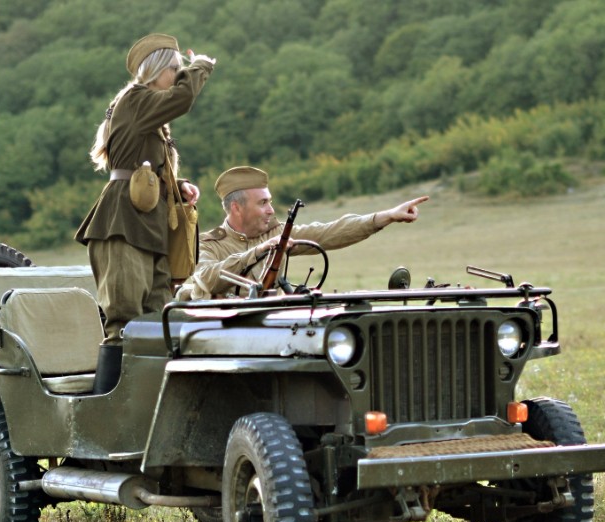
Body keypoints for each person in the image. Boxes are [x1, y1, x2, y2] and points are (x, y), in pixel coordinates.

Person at [75, 33, 214, 392]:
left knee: (156, 320)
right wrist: (199, 67)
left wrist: (177, 185)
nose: (178, 76)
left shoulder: (144, 107)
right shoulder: (136, 99)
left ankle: (148, 408)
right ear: (157, 71)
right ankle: (108, 417)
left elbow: (144, 165)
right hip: (122, 224)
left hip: (149, 226)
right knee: (124, 323)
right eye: (175, 69)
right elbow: (182, 98)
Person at [177, 166, 429, 300]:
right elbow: (207, 278)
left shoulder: (276, 232)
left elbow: (330, 232)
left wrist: (386, 216)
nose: (270, 210)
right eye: (262, 203)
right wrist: (260, 251)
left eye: (270, 201)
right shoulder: (209, 244)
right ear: (236, 208)